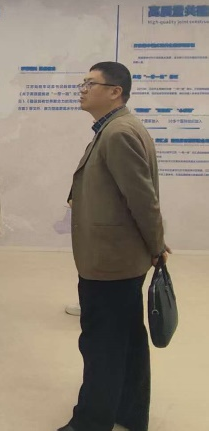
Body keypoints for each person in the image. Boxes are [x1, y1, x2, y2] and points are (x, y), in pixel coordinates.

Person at [58, 62, 170, 431]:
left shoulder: (118, 132)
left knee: (102, 343)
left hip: (111, 260)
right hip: (118, 257)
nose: (82, 88)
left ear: (114, 91)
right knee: (127, 338)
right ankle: (129, 412)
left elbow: (143, 199)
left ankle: (91, 421)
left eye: (90, 83)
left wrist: (157, 245)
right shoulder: (115, 128)